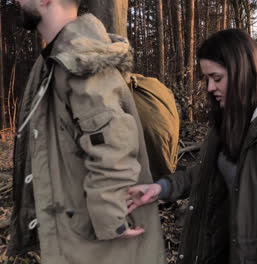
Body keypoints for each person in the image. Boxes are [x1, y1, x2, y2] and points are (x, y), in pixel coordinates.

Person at [128, 29, 257, 264]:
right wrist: (161, 188)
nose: (210, 87)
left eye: (217, 78)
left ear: (242, 73)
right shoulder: (232, 121)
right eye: (207, 79)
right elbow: (206, 174)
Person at [9, 0, 166, 263]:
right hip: (79, 235)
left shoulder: (82, 56)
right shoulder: (57, 59)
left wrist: (111, 215)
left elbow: (113, 141)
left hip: (101, 246)